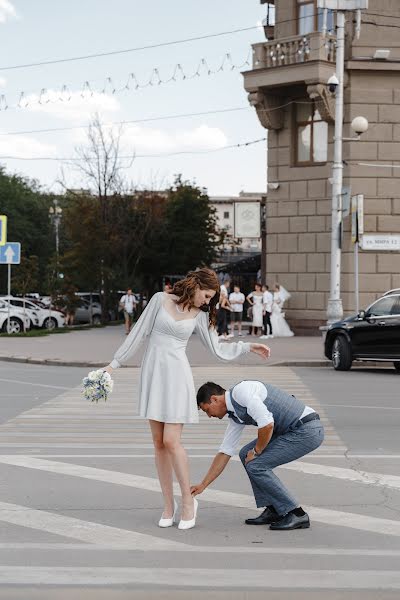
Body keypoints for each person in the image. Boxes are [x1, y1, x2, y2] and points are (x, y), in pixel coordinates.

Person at [103, 268, 270, 531]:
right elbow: (138, 333)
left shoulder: (200, 315)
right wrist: (113, 365)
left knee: (171, 441)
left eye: (210, 298)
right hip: (153, 374)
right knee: (158, 443)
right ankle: (168, 506)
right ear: (194, 285)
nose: (207, 301)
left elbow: (218, 349)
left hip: (177, 377)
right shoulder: (159, 299)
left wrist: (248, 346)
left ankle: (188, 501)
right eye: (206, 295)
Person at [191, 380, 324, 530]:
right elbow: (225, 452)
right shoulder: (235, 414)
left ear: (214, 399)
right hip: (291, 430)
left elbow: (267, 424)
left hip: (306, 430)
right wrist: (203, 485)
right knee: (244, 454)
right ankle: (274, 508)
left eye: (207, 410)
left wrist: (256, 451)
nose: (209, 416)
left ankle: (296, 513)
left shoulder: (241, 392)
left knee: (256, 464)